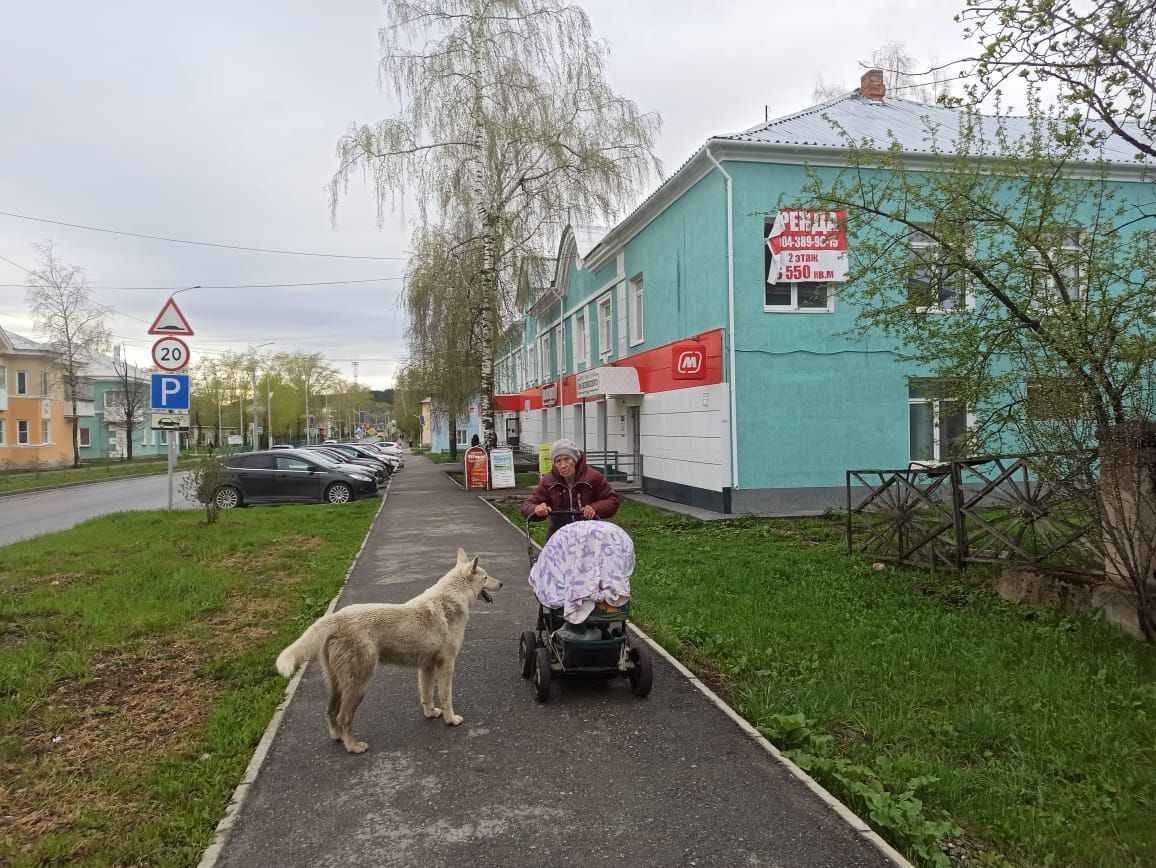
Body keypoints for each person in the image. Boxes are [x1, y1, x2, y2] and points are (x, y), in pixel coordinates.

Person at [520, 439, 619, 540]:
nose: (563, 465)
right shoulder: (548, 482)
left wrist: (595, 508)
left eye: (567, 459)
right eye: (558, 461)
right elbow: (527, 505)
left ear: (575, 460)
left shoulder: (593, 477)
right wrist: (536, 509)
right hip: (560, 538)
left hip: (590, 536)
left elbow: (612, 500)